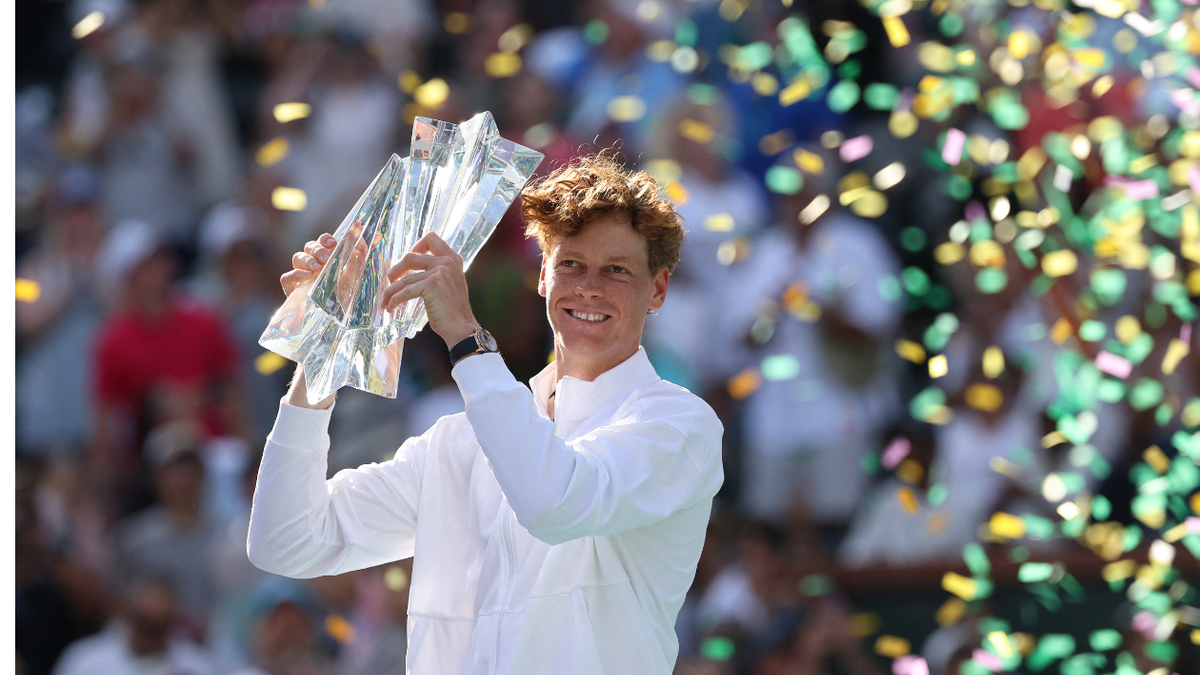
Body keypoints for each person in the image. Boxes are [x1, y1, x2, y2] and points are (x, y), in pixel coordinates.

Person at [247, 154, 725, 674]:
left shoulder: (680, 425)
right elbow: (285, 541)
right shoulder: (460, 439)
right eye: (570, 264)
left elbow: (552, 504)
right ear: (543, 275)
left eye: (616, 271)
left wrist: (464, 334)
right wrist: (330, 343)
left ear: (658, 288)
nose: (589, 287)